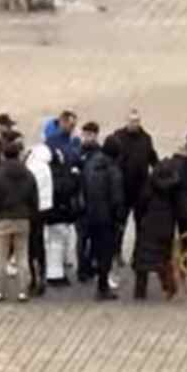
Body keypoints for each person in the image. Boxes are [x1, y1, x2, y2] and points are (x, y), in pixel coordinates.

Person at [0, 140, 39, 302]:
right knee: (22, 256)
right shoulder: (28, 175)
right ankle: (23, 291)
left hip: (1, 220)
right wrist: (32, 217)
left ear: (3, 156)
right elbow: (34, 200)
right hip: (22, 220)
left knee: (1, 257)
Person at [132, 156, 187, 301]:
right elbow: (183, 212)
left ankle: (140, 292)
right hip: (166, 227)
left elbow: (140, 205)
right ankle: (169, 287)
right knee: (163, 260)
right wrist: (186, 231)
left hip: (148, 225)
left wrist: (140, 222)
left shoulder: (150, 184)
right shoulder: (176, 187)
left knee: (142, 259)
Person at [112, 110, 159, 266]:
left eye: (137, 121)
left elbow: (153, 158)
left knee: (142, 226)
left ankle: (138, 255)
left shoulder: (146, 138)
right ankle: (116, 252)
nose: (135, 124)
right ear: (126, 121)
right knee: (120, 224)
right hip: (123, 190)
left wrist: (159, 172)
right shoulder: (117, 137)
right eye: (132, 121)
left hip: (141, 191)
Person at [83, 135, 126, 301]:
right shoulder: (113, 171)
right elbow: (117, 198)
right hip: (107, 218)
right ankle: (102, 286)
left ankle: (92, 273)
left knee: (94, 248)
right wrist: (119, 219)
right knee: (106, 253)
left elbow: (84, 187)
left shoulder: (91, 165)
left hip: (91, 214)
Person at [44, 146, 82, 288]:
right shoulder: (59, 175)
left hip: (51, 214)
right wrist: (75, 178)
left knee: (54, 244)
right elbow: (66, 189)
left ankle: (54, 272)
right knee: (58, 245)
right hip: (59, 214)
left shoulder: (48, 173)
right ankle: (55, 274)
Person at [24, 144, 53, 296]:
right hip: (44, 209)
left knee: (32, 245)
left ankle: (34, 277)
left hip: (33, 210)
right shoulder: (46, 167)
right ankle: (42, 272)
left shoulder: (34, 168)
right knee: (39, 242)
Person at [74, 121, 102, 283]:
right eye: (85, 134)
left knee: (95, 238)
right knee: (81, 238)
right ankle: (82, 268)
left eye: (90, 135)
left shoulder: (100, 153)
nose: (87, 138)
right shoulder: (78, 152)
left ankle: (91, 263)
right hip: (81, 203)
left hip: (96, 204)